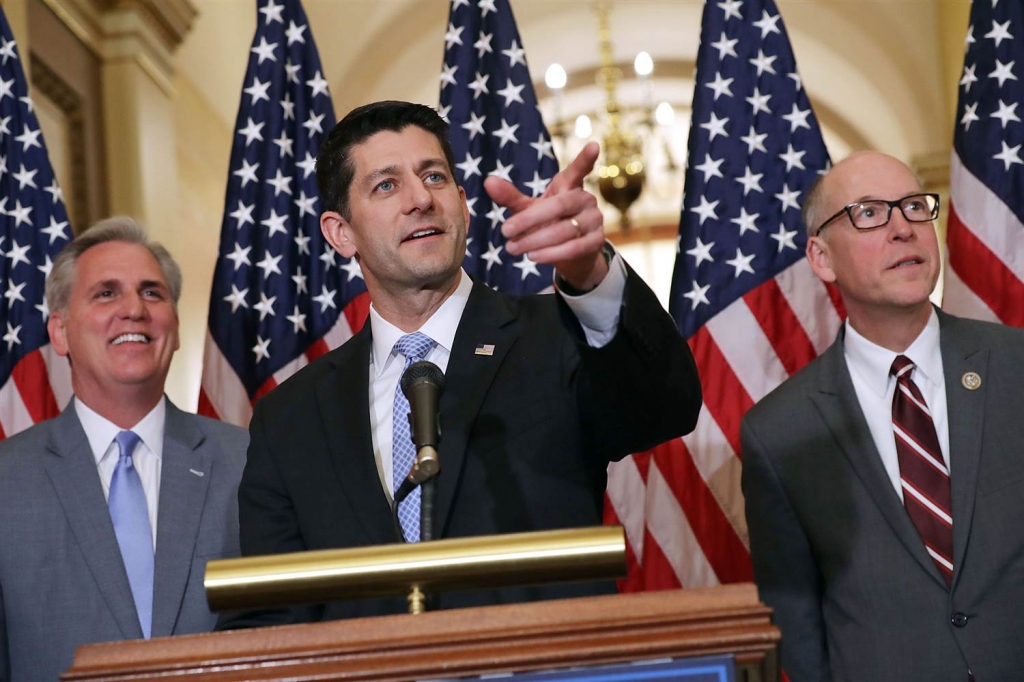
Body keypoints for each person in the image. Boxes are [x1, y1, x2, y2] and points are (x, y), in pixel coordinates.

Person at [221, 100, 701, 626]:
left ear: (464, 205)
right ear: (341, 233)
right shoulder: (289, 417)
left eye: (434, 176)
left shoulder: (555, 335)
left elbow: (666, 407)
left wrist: (590, 274)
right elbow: (269, 619)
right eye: (386, 185)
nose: (421, 199)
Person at [741, 151, 1024, 681]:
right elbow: (798, 627)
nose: (903, 228)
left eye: (915, 207)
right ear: (822, 258)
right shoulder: (779, 433)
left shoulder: (1016, 368)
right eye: (869, 213)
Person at [0, 217, 248, 682]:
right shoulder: (6, 481)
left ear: (174, 327)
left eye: (152, 292)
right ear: (59, 331)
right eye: (106, 293)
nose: (134, 309)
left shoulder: (249, 464)